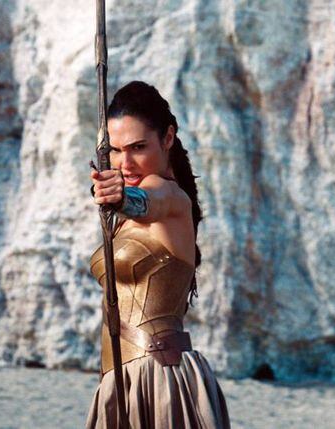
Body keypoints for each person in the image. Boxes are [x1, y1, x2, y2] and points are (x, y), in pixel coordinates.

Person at [85, 81, 231, 428]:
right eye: (116, 150)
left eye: (138, 147)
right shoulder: (126, 219)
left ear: (167, 138)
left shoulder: (169, 196)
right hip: (121, 376)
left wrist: (121, 198)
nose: (126, 163)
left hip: (158, 378)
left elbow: (149, 202)